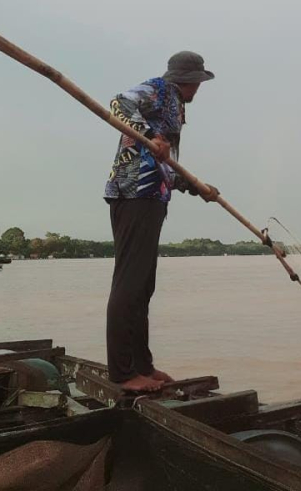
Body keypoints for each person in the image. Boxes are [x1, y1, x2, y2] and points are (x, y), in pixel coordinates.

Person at [104, 51, 220, 391]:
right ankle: (123, 373)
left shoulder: (176, 106)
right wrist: (148, 135)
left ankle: (143, 365)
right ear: (190, 80)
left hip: (154, 195)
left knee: (143, 285)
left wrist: (198, 188)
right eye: (197, 82)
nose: (198, 89)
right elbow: (118, 104)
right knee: (129, 283)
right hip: (133, 193)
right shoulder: (158, 89)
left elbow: (166, 165)